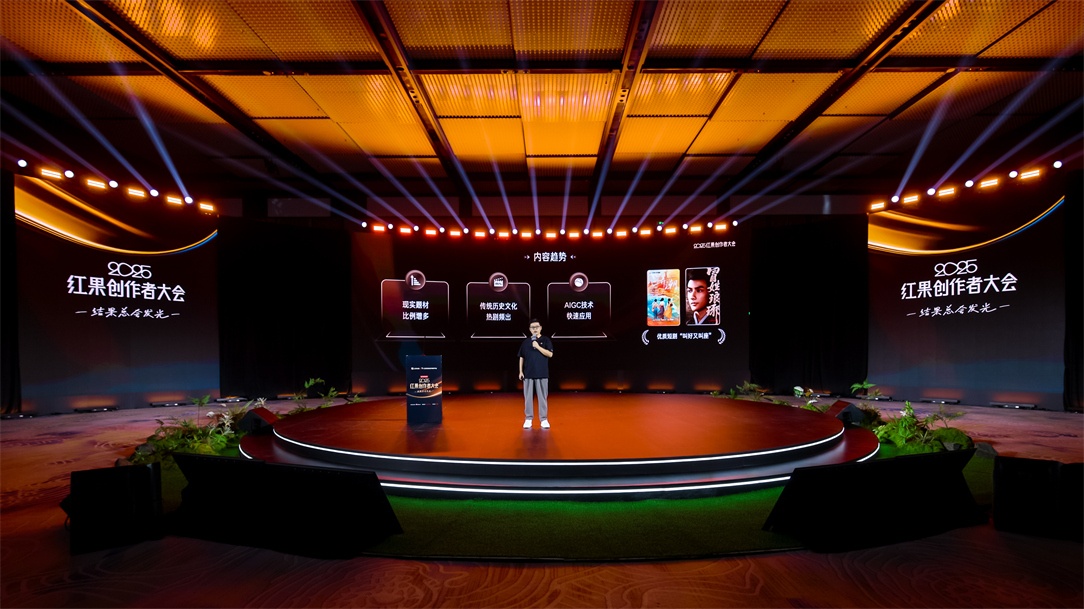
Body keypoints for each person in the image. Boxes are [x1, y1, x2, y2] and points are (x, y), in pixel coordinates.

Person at [518, 319, 554, 429]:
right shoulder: (525, 342)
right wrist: (520, 371)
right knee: (528, 398)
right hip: (528, 374)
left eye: (536, 327)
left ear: (540, 328)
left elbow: (550, 354)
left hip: (542, 373)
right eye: (532, 327)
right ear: (529, 329)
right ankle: (528, 418)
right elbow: (521, 357)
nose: (535, 329)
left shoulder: (546, 340)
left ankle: (544, 419)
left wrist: (538, 347)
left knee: (542, 398)